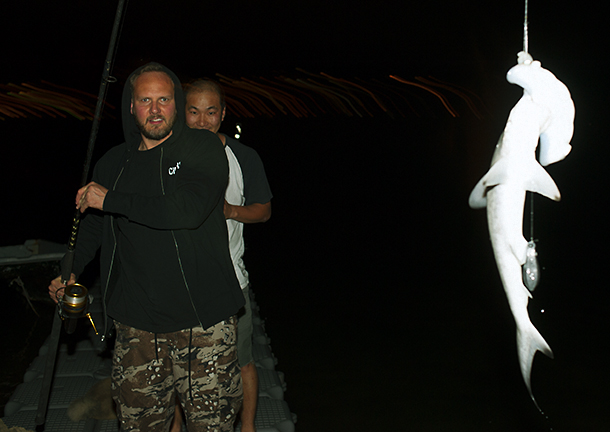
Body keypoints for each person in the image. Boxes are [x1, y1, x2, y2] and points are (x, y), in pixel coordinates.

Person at [48, 63, 245, 432]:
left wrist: (112, 200)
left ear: (176, 103)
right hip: (136, 328)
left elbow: (186, 209)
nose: (155, 109)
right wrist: (68, 271)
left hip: (204, 324)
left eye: (164, 99)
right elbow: (90, 229)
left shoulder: (202, 148)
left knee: (212, 425)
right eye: (145, 100)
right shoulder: (112, 163)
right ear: (131, 107)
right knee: (139, 425)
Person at [170, 80, 272, 432]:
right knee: (177, 366)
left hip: (230, 280)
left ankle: (247, 427)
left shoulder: (244, 157)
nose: (201, 121)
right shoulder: (164, 153)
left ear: (223, 114)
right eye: (193, 112)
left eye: (210, 112)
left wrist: (229, 210)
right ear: (183, 113)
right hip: (178, 281)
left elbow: (264, 211)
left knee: (242, 361)